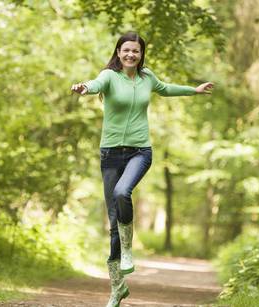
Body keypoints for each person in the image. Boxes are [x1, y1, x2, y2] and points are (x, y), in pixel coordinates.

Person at [71, 32, 213, 307]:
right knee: (114, 222)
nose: (130, 55)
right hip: (110, 154)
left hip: (140, 152)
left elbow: (166, 88)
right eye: (126, 50)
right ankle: (117, 288)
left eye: (135, 51)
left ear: (141, 54)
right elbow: (96, 83)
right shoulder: (109, 76)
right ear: (118, 51)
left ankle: (128, 250)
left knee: (123, 192)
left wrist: (194, 90)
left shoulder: (147, 77)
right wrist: (84, 88)